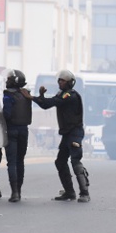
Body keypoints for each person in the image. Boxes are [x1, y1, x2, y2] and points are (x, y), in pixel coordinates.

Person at [33, 69, 90, 202]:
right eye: (59, 80)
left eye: (63, 80)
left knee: (75, 161)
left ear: (70, 83)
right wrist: (40, 96)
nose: (60, 82)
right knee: (60, 161)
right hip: (67, 134)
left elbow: (50, 103)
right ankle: (69, 192)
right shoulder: (62, 94)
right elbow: (46, 105)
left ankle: (85, 193)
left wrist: (32, 98)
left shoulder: (70, 95)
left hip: (75, 133)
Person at [2, 69, 32, 203]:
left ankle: (14, 192)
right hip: (24, 130)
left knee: (12, 162)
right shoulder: (27, 95)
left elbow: (7, 114)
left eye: (9, 79)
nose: (7, 81)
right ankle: (18, 191)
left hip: (12, 130)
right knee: (20, 161)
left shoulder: (8, 95)